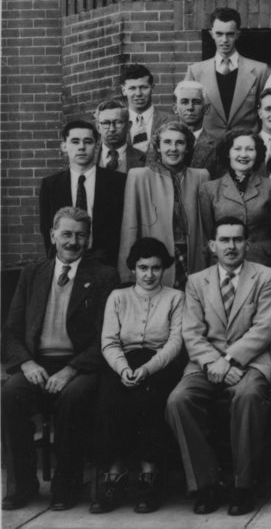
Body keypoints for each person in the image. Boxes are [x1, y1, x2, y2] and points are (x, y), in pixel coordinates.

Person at [1, 207, 118, 511]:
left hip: (80, 365)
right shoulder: (32, 273)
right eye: (66, 234)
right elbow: (11, 330)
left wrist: (70, 370)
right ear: (52, 235)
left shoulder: (103, 275)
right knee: (10, 394)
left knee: (73, 398)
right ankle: (21, 486)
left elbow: (104, 338)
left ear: (88, 239)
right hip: (37, 363)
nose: (73, 242)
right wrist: (27, 363)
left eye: (80, 235)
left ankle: (66, 487)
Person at [165, 218, 271, 517]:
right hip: (205, 362)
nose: (231, 246)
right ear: (212, 245)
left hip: (250, 361)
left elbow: (264, 328)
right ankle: (206, 484)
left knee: (248, 396)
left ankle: (244, 486)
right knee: (179, 400)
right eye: (224, 240)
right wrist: (214, 362)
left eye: (237, 240)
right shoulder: (196, 281)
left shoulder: (265, 276)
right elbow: (192, 332)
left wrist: (228, 361)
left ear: (247, 244)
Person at [90, 238, 184, 514]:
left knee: (151, 401)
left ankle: (149, 475)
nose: (149, 274)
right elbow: (109, 341)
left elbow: (175, 342)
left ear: (164, 269)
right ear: (133, 268)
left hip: (159, 363)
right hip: (122, 362)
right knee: (110, 401)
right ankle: (115, 474)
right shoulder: (118, 297)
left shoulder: (175, 298)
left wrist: (147, 369)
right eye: (143, 268)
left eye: (156, 268)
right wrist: (123, 368)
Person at [119, 120, 210, 289]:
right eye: (167, 142)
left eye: (180, 143)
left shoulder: (201, 177)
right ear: (158, 147)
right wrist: (127, 275)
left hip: (193, 257)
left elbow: (207, 228)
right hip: (153, 261)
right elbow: (129, 228)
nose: (173, 148)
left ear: (187, 147)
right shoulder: (139, 176)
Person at [39, 119, 126, 266]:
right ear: (64, 146)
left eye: (88, 141)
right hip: (66, 262)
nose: (81, 147)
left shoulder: (118, 182)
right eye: (75, 141)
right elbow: (47, 228)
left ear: (97, 145)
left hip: (107, 264)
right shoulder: (50, 185)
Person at [199, 129, 271, 271]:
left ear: (257, 153)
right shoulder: (209, 189)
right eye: (237, 149)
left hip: (263, 263)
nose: (243, 155)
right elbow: (208, 234)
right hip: (224, 263)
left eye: (250, 149)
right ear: (228, 153)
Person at [184, 7, 271, 139]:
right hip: (208, 146)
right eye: (219, 34)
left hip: (245, 146)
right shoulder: (195, 71)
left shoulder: (259, 70)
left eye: (230, 34)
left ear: (237, 34)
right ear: (211, 34)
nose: (224, 40)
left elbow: (267, 112)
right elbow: (185, 113)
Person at [146, 80, 222, 176]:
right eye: (184, 102)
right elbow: (149, 176)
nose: (190, 107)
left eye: (196, 102)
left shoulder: (217, 146)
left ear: (206, 109)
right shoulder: (159, 142)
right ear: (175, 109)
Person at [119, 64, 175, 152]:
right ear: (123, 90)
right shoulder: (116, 123)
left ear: (152, 88)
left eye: (143, 87)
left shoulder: (172, 121)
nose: (138, 93)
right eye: (132, 88)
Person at [94, 98, 146, 173]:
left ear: (128, 126)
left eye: (118, 122)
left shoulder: (144, 159)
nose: (112, 129)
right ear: (98, 127)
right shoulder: (88, 157)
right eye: (106, 123)